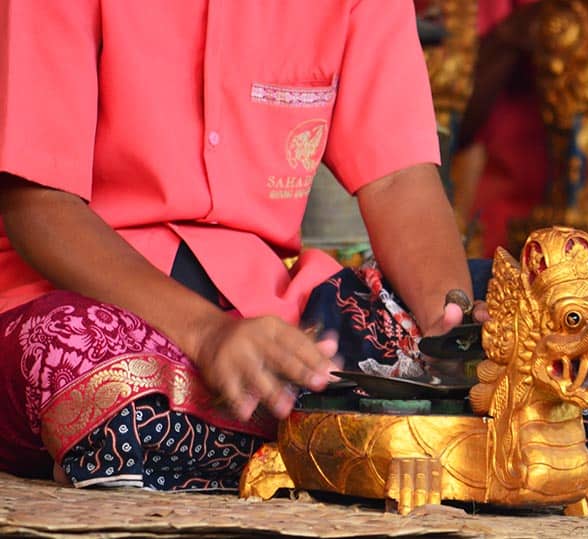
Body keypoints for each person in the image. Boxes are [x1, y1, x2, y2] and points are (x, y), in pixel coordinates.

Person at [0, 0, 477, 490]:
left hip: (263, 315)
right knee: (71, 351)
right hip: (86, 297)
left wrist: (454, 335)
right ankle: (315, 440)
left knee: (477, 316)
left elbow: (398, 181)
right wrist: (207, 336)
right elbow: (39, 207)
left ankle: (212, 445)